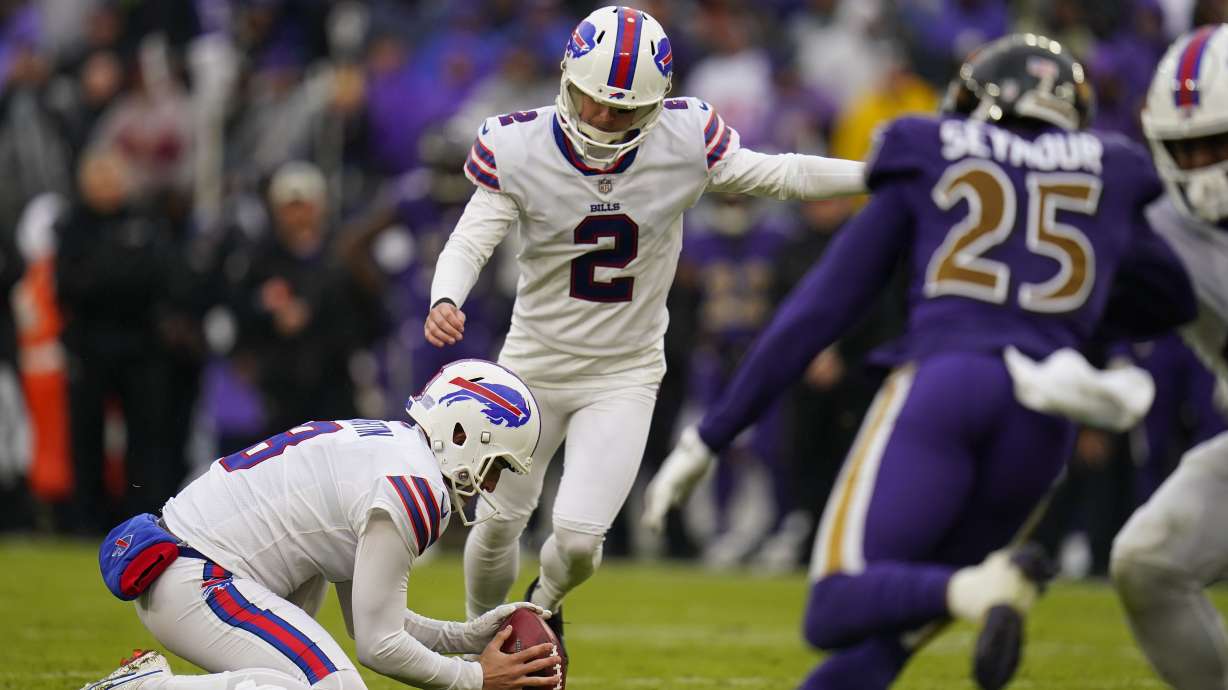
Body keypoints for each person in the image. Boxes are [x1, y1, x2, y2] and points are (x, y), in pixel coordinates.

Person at [642, 34, 1196, 690]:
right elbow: (1171, 298)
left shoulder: (929, 145)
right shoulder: (1111, 166)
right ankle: (979, 586)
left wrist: (712, 435)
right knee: (881, 649)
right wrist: (1070, 328)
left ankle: (979, 587)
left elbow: (821, 309)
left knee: (835, 607)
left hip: (947, 384)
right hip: (1047, 420)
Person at [423, 5, 865, 649]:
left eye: (622, 109)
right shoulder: (517, 145)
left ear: (656, 105)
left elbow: (783, 173)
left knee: (576, 543)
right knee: (496, 526)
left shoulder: (686, 137)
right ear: (566, 79)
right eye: (593, 101)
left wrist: (876, 174)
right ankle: (479, 639)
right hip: (530, 370)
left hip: (623, 372)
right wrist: (446, 296)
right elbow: (470, 237)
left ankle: (541, 608)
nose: (603, 118)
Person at [80, 359, 562, 690]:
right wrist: (477, 678)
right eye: (496, 463)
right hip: (198, 578)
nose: (491, 482)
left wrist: (468, 637)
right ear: (462, 433)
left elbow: (371, 621)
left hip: (196, 569)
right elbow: (379, 645)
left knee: (308, 680)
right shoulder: (413, 487)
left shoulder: (394, 453)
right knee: (333, 686)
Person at [1110, 23, 1228, 690]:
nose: (1204, 168)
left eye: (1218, 143)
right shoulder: (1158, 228)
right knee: (1148, 563)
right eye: (1187, 149)